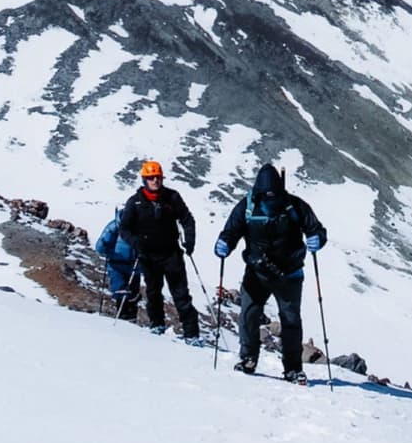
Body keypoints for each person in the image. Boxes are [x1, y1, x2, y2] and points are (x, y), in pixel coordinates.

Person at [214, 164, 327, 384]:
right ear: (259, 195)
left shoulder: (295, 206)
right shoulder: (246, 207)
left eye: (275, 199)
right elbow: (231, 231)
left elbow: (316, 229)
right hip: (257, 273)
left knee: (290, 320)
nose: (272, 203)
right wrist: (224, 243)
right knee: (249, 314)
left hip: (290, 274)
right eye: (268, 199)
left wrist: (318, 239)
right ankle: (248, 359)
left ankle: (293, 368)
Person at [118, 160, 202, 345]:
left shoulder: (172, 197)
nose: (155, 180)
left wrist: (190, 240)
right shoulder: (135, 202)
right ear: (144, 179)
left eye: (158, 177)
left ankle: (192, 334)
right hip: (148, 255)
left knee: (181, 295)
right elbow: (124, 228)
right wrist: (136, 243)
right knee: (153, 292)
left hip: (171, 253)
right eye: (151, 178)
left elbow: (187, 219)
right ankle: (157, 325)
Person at [95, 208, 142, 320]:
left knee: (131, 295)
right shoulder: (115, 227)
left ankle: (128, 318)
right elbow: (100, 246)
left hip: (132, 266)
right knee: (122, 291)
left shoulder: (117, 225)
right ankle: (124, 318)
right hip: (118, 265)